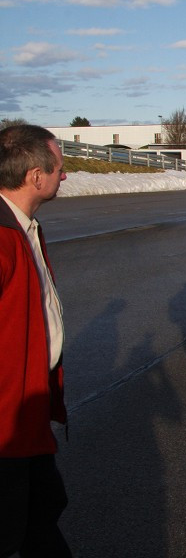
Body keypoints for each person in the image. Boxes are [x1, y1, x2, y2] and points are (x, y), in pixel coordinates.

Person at [0, 124, 71, 557]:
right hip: (6, 425)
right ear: (35, 177)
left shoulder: (25, 227)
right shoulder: (3, 237)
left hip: (27, 412)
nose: (64, 175)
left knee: (43, 509)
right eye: (59, 169)